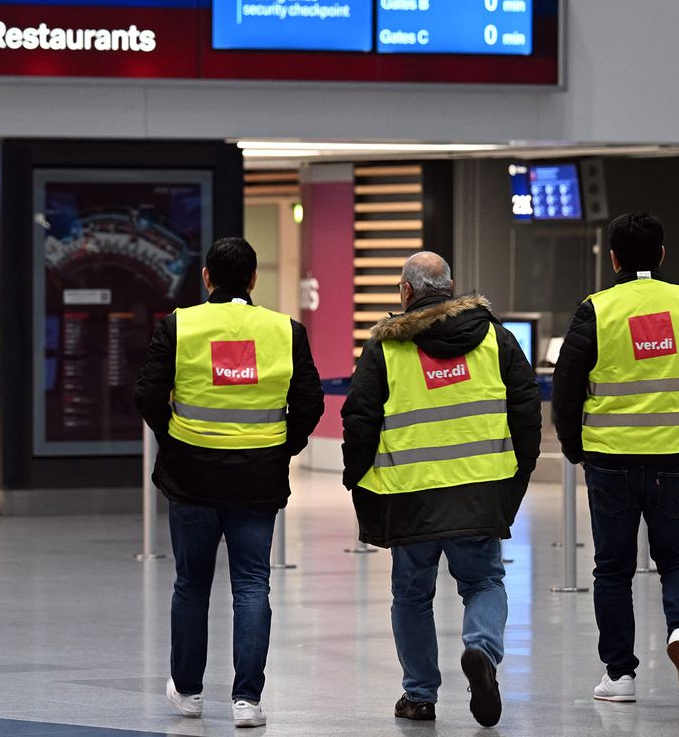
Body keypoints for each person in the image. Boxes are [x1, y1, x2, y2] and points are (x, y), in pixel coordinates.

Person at [341, 251, 541, 728]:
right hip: (479, 490)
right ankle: (481, 651)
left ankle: (419, 695)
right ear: (450, 289)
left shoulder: (387, 348)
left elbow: (360, 420)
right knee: (484, 581)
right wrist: (517, 474)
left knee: (411, 596)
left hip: (410, 498)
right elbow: (528, 409)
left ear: (406, 293)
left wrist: (356, 480)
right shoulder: (495, 337)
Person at [134, 237, 324, 729]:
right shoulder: (286, 330)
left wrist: (172, 438)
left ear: (206, 278)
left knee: (191, 583)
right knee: (252, 584)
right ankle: (247, 701)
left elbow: (148, 394)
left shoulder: (180, 325)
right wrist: (284, 446)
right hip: (258, 478)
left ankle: (190, 692)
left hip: (191, 474)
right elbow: (310, 404)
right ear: (255, 279)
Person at [551, 212, 679, 704]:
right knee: (678, 557)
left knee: (613, 567)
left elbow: (565, 387)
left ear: (612, 258)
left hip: (610, 459)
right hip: (677, 457)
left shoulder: (596, 310)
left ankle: (620, 675)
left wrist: (574, 447)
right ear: (661, 254)